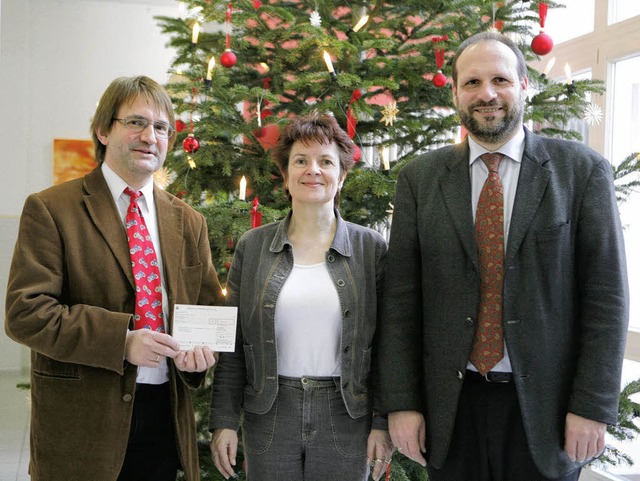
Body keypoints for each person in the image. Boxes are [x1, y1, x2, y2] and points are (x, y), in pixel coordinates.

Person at [373, 31, 629, 481]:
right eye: (471, 83)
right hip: (449, 411)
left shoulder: (581, 172)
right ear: (455, 93)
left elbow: (606, 297)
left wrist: (591, 405)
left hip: (547, 411)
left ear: (524, 86)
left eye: (500, 80)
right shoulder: (419, 179)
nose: (486, 94)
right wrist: (402, 403)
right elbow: (400, 303)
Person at [5, 75, 225, 481]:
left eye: (161, 128)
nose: (149, 136)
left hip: (164, 417)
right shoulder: (52, 209)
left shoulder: (189, 221)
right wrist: (121, 341)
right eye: (136, 122)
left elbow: (205, 312)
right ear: (104, 130)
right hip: (83, 423)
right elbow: (25, 313)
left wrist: (199, 356)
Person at [208, 111, 393, 480]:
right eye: (301, 161)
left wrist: (382, 421)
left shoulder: (370, 247)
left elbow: (388, 345)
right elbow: (234, 342)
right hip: (270, 413)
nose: (314, 170)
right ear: (285, 175)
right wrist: (224, 421)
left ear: (341, 175)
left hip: (346, 415)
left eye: (326, 161)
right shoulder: (253, 246)